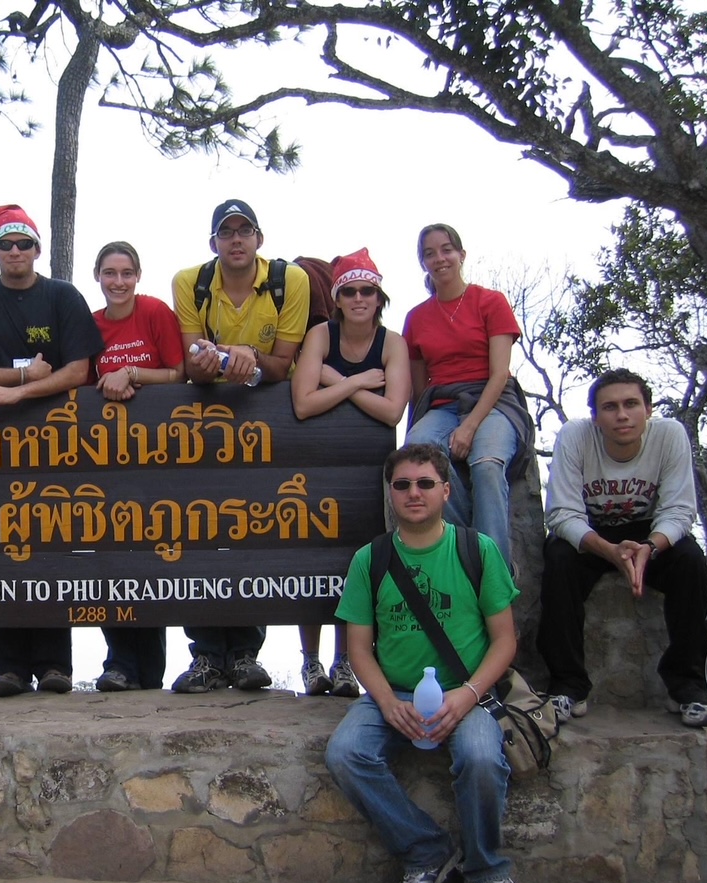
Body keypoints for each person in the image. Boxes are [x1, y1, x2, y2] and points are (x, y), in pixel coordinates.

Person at [325, 444, 526, 883]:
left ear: (445, 491)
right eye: (402, 485)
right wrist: (387, 703)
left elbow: (504, 641)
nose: (413, 493)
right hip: (393, 692)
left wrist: (469, 695)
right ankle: (426, 851)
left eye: (425, 483)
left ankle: (486, 869)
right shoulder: (370, 559)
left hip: (467, 692)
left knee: (481, 758)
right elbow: (359, 649)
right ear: (391, 493)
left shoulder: (477, 550)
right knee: (346, 753)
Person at [0, 204, 104, 696]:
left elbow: (78, 370)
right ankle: (10, 668)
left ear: (38, 249)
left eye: (24, 243)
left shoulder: (62, 296)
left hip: (58, 440)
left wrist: (19, 393)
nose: (15, 251)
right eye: (6, 244)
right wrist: (22, 375)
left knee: (55, 542)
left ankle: (56, 665)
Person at [169, 199, 310, 693]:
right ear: (213, 243)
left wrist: (246, 356)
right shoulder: (190, 282)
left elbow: (283, 364)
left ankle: (246, 654)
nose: (235, 240)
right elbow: (192, 362)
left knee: (255, 530)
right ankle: (206, 656)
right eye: (226, 232)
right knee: (199, 530)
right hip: (203, 422)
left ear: (259, 239)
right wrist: (220, 360)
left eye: (244, 231)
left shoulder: (290, 281)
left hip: (264, 422)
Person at [536, 369, 707, 727]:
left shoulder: (669, 435)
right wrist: (608, 550)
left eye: (631, 404)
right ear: (595, 417)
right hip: (591, 534)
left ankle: (688, 687)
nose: (622, 415)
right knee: (558, 560)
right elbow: (561, 513)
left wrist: (649, 547)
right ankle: (568, 685)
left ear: (648, 410)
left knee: (691, 563)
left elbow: (679, 510)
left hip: (649, 533)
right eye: (610, 407)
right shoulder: (575, 436)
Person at [291, 249, 410, 699]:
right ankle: (311, 661)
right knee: (311, 558)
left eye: (367, 291)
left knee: (354, 562)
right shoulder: (321, 334)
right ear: (337, 299)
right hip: (316, 458)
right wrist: (359, 382)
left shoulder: (392, 343)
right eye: (350, 291)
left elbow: (393, 411)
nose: (359, 298)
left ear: (379, 298)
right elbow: (303, 404)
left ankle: (345, 661)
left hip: (367, 466)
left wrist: (336, 382)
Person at [403, 224, 533, 567]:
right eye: (429, 253)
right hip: (443, 403)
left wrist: (470, 426)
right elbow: (419, 388)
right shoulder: (416, 317)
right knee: (419, 454)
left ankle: (494, 571)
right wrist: (416, 430)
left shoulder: (490, 302)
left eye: (446, 250)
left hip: (493, 400)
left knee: (486, 465)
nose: (439, 258)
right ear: (422, 262)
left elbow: (500, 373)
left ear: (461, 255)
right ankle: (466, 550)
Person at [88, 240, 185, 690]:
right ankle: (119, 662)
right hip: (109, 459)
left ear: (138, 276)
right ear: (98, 277)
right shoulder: (92, 325)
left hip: (162, 454)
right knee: (111, 554)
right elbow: (85, 382)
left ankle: (150, 673)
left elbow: (178, 373)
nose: (118, 281)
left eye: (126, 273)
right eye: (110, 273)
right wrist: (107, 384)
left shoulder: (155, 312)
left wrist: (130, 374)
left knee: (157, 555)